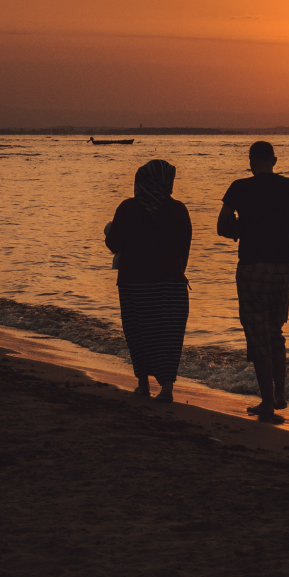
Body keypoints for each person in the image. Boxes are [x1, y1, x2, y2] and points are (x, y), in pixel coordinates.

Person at [217, 141, 289, 423]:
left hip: (251, 267)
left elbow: (221, 226)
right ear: (275, 160)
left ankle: (267, 402)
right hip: (282, 267)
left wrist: (241, 229)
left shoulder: (239, 188)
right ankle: (280, 394)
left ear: (250, 161)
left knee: (257, 335)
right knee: (275, 331)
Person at [105, 159, 192, 403]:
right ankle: (166, 388)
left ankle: (143, 384)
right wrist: (175, 270)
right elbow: (185, 249)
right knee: (168, 336)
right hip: (171, 283)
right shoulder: (178, 210)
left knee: (139, 332)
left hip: (135, 282)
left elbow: (113, 243)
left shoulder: (128, 208)